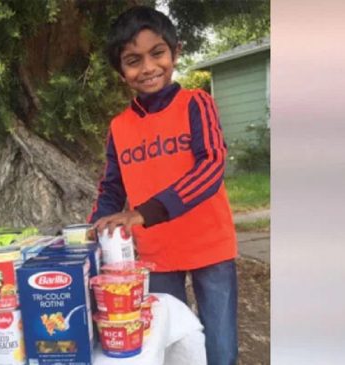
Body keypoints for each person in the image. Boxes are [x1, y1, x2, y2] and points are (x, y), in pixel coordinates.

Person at [88, 6, 238, 365]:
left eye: (157, 53)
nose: (148, 67)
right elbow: (111, 187)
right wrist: (96, 228)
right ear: (121, 71)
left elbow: (212, 165)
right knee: (170, 345)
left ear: (175, 52)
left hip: (210, 246)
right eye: (133, 60)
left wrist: (144, 213)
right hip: (156, 255)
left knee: (220, 347)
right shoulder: (119, 126)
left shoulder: (196, 104)